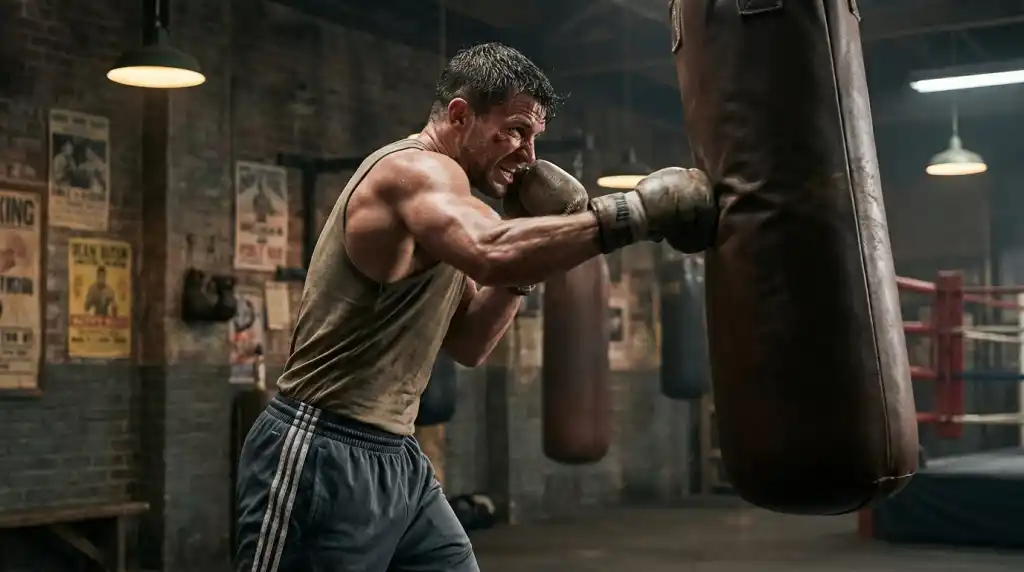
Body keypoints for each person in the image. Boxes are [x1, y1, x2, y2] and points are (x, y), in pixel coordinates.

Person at [233, 42, 716, 572]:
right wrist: (632, 214)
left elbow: (469, 343)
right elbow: (489, 252)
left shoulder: (448, 206)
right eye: (516, 130)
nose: (528, 155)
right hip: (322, 447)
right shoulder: (415, 171)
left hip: (397, 454)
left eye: (534, 137)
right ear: (461, 115)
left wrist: (525, 256)